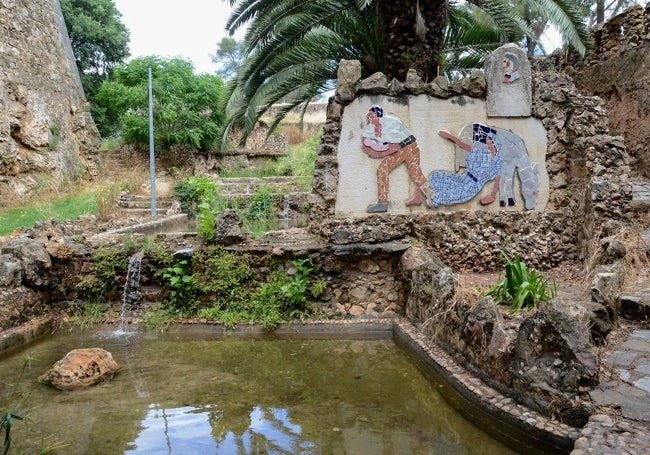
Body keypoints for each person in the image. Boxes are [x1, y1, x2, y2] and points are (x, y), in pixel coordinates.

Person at [361, 106, 431, 213]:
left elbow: (393, 147)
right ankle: (383, 203)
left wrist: (378, 149)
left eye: (370, 116)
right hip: (399, 148)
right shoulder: (372, 126)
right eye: (368, 117)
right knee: (411, 172)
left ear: (377, 115)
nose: (369, 119)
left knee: (413, 172)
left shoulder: (390, 123)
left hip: (408, 146)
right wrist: (372, 145)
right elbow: (365, 140)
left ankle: (430, 196)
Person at [427, 130, 503, 207]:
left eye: (491, 142)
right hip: (463, 178)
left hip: (472, 186)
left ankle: (434, 200)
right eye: (487, 141)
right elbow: (462, 145)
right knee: (437, 176)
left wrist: (492, 196)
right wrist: (450, 137)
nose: (489, 144)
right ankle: (423, 196)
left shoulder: (497, 165)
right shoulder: (480, 152)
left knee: (450, 194)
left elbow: (497, 180)